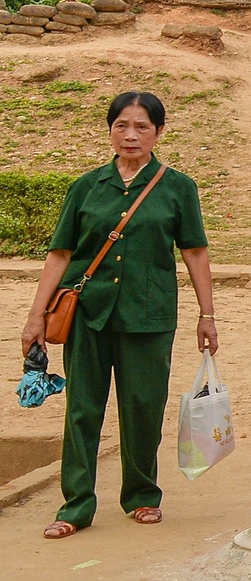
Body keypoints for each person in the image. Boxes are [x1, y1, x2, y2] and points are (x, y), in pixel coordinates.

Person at [21, 91, 216, 539]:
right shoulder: (87, 187)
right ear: (110, 130)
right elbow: (60, 254)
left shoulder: (177, 187)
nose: (130, 135)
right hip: (87, 315)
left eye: (142, 127)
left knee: (143, 407)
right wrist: (35, 317)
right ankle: (76, 505)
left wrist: (207, 316)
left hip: (149, 316)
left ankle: (142, 495)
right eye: (121, 126)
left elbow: (195, 252)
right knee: (82, 410)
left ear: (159, 132)